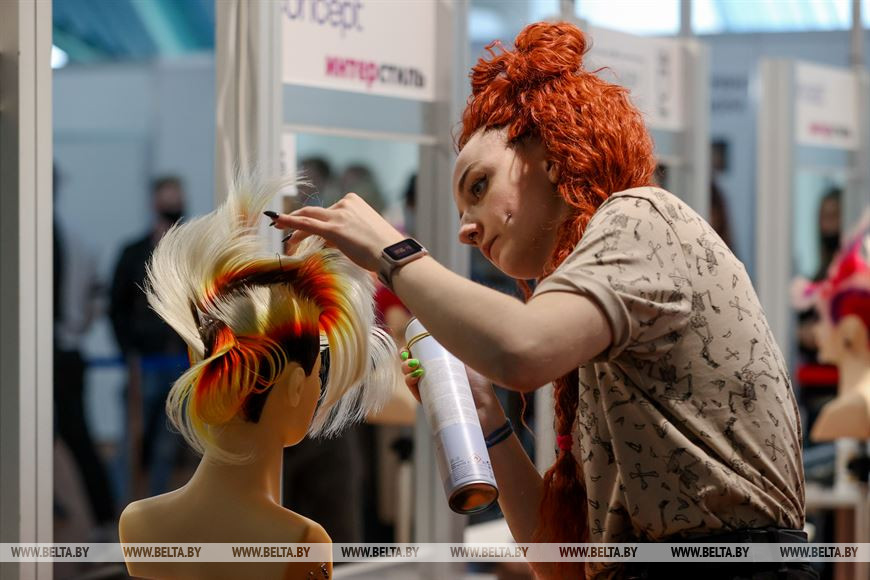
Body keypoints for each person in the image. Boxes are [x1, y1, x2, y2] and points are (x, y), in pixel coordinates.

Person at [270, 22, 814, 580]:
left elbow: (521, 349)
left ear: (551, 153)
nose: (466, 229)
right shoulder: (601, 316)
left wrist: (394, 253)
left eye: (479, 187)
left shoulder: (640, 218)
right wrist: (488, 420)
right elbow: (563, 567)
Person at [119, 178, 399, 579]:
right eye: (320, 376)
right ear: (297, 384)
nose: (321, 392)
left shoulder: (138, 523)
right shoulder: (301, 541)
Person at [109, 176, 190, 500]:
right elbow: (117, 307)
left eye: (177, 200)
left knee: (167, 445)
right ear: (155, 204)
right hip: (143, 361)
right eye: (167, 200)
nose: (173, 206)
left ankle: (156, 507)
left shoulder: (189, 253)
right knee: (132, 441)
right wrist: (128, 349)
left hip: (180, 361)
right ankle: (121, 510)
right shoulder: (133, 253)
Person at [53, 163, 116, 533]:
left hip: (59, 352)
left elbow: (95, 299)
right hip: (67, 349)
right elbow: (95, 303)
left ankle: (104, 521)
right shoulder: (78, 240)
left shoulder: (71, 241)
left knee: (77, 437)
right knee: (79, 439)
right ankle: (103, 519)